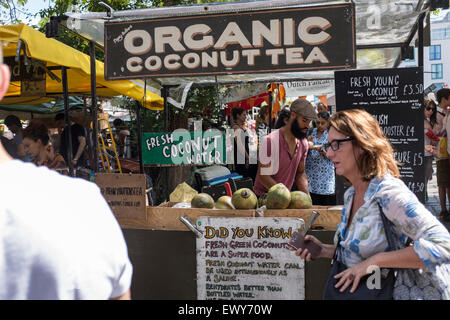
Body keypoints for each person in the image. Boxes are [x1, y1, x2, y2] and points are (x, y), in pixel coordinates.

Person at [0, 62, 132, 300]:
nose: (25, 150)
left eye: (28, 146)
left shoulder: (70, 179)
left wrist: (76, 157)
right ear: (3, 81)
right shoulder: (82, 202)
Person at [291, 109, 450, 299]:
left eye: (336, 145)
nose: (330, 153)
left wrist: (376, 261)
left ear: (361, 143)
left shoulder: (388, 193)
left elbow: (443, 245)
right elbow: (359, 255)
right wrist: (324, 250)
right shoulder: (351, 196)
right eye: (328, 145)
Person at [253, 98, 317, 196]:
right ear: (293, 115)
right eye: (304, 121)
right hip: (264, 198)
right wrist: (285, 196)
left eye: (309, 122)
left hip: (284, 198)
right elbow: (264, 177)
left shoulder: (303, 143)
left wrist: (307, 196)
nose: (307, 126)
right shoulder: (270, 141)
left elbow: (300, 173)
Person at [305, 112, 336, 205]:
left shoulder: (331, 135)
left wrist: (322, 151)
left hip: (325, 175)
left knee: (325, 202)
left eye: (323, 123)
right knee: (313, 200)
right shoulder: (311, 132)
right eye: (318, 123)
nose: (320, 125)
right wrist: (307, 144)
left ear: (328, 123)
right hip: (311, 173)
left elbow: (334, 155)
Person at [435, 88, 450, 221]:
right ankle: (443, 210)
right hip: (441, 151)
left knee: (448, 182)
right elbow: (435, 133)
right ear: (444, 99)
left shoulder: (447, 111)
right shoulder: (435, 113)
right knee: (442, 183)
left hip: (448, 150)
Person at [232, 108, 257, 181]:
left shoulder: (242, 127)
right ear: (238, 116)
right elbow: (240, 145)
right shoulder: (236, 128)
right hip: (241, 158)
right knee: (246, 177)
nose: (245, 116)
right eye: (243, 115)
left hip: (244, 156)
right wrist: (247, 158)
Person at [423, 98, 439, 202]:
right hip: (419, 152)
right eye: (428, 108)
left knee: (427, 174)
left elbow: (433, 140)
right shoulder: (415, 119)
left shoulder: (430, 121)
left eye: (433, 109)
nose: (430, 111)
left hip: (429, 153)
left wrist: (434, 140)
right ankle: (423, 192)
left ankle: (424, 190)